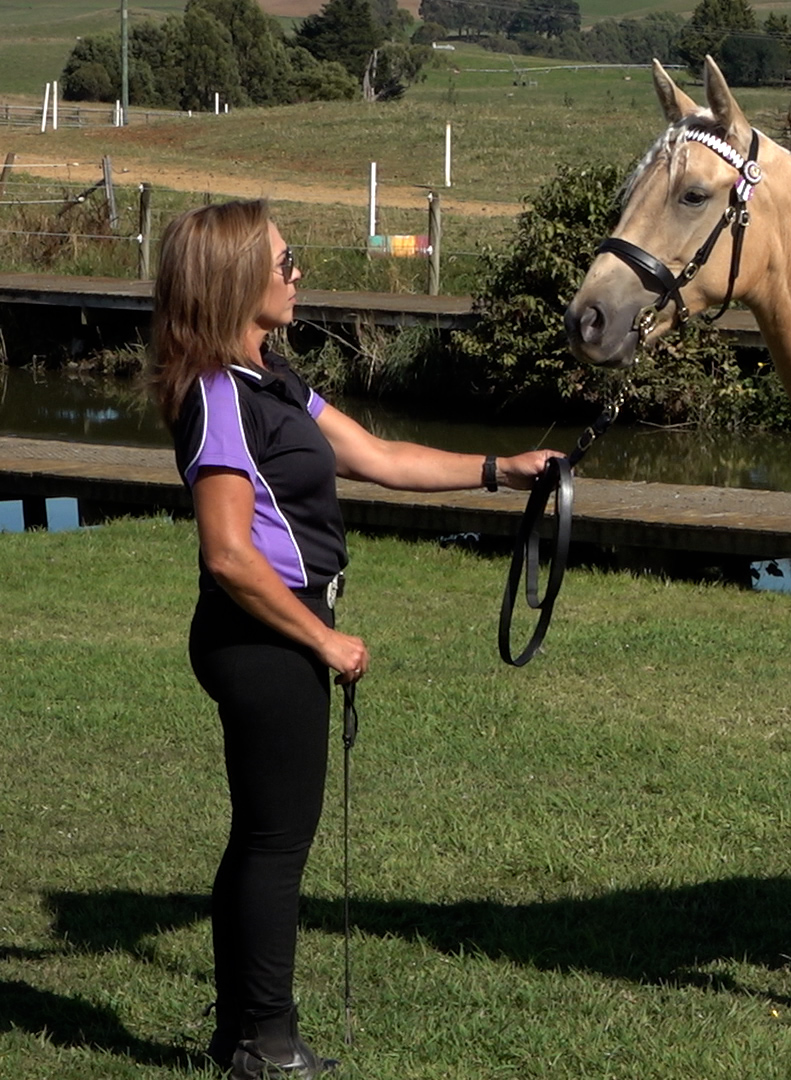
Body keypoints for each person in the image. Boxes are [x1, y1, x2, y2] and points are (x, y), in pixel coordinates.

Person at [148, 199, 561, 1078]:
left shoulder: (269, 377)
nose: (298, 273)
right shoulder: (219, 396)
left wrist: (502, 470)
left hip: (281, 628)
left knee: (262, 836)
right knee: (275, 843)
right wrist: (323, 641)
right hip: (262, 635)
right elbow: (227, 554)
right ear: (235, 281)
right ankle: (267, 1042)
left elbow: (378, 456)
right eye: (284, 261)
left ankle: (242, 1033)